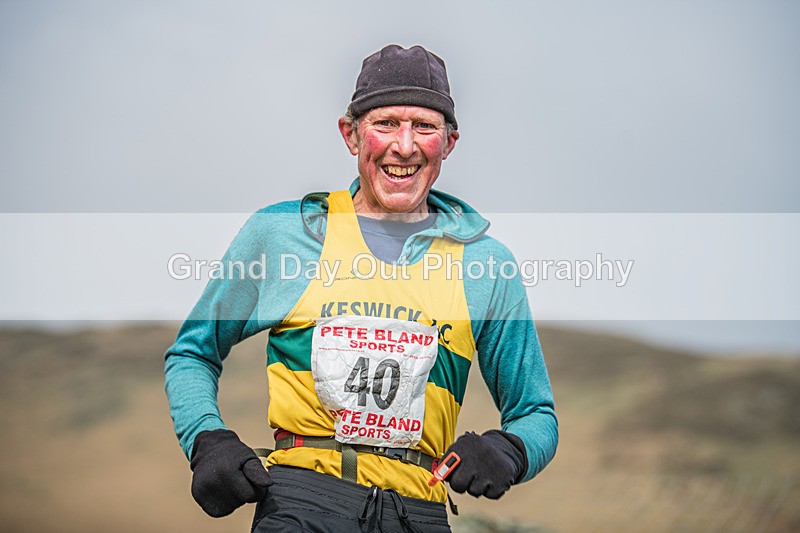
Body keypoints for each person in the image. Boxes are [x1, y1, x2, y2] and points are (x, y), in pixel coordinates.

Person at [164, 44, 558, 532]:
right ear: (350, 135)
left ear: (450, 142)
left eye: (425, 127)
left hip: (418, 514)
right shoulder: (284, 234)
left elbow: (536, 413)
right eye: (386, 123)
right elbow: (192, 354)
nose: (405, 146)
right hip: (301, 504)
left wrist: (510, 452)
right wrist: (206, 440)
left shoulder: (486, 265)